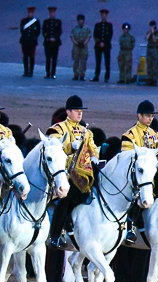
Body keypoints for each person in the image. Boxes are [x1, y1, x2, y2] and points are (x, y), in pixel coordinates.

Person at [46, 95, 99, 249]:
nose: (79, 113)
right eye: (76, 111)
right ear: (68, 112)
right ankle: (55, 234)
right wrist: (70, 146)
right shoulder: (58, 129)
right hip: (64, 173)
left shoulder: (85, 131)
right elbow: (53, 148)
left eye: (80, 111)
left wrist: (95, 156)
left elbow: (93, 147)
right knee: (66, 198)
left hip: (82, 173)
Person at [121, 100, 158, 243]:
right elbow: (127, 157)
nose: (150, 118)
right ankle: (130, 227)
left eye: (152, 116)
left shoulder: (155, 134)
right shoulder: (129, 135)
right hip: (136, 173)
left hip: (150, 172)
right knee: (138, 192)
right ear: (139, 116)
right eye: (147, 116)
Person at [91, 9, 113, 82]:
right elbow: (95, 35)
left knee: (107, 61)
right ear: (101, 16)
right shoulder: (97, 25)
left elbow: (110, 36)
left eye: (105, 16)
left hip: (106, 45)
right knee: (98, 61)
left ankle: (107, 77)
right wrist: (100, 42)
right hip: (98, 46)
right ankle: (96, 76)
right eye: (103, 15)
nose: (104, 17)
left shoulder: (109, 25)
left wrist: (104, 43)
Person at [19, 6, 40, 77]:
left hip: (32, 42)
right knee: (25, 56)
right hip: (25, 41)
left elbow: (38, 32)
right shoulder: (23, 21)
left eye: (32, 13)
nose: (31, 14)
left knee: (31, 56)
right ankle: (25, 70)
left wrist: (33, 38)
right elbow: (22, 30)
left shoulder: (36, 22)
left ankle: (31, 71)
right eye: (29, 13)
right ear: (27, 13)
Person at [42, 6, 62, 79]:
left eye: (53, 12)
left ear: (55, 13)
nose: (52, 14)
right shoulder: (46, 22)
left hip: (55, 43)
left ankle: (53, 73)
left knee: (54, 59)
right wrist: (48, 38)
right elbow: (44, 32)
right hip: (47, 43)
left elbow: (59, 32)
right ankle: (47, 73)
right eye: (50, 12)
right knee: (48, 58)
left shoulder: (58, 22)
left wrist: (54, 38)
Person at [70, 14, 90, 81]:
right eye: (79, 20)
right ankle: (76, 74)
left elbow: (88, 37)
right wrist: (77, 43)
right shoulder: (75, 29)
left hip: (83, 46)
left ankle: (82, 74)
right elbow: (72, 37)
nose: (81, 21)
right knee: (76, 61)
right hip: (76, 46)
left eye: (82, 20)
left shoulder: (86, 29)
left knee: (83, 61)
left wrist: (84, 43)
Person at [144, 20, 158, 86]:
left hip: (155, 50)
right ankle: (149, 78)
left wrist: (153, 33)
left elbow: (155, 40)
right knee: (149, 65)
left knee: (155, 65)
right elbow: (146, 39)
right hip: (149, 49)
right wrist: (150, 33)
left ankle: (154, 80)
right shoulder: (148, 33)